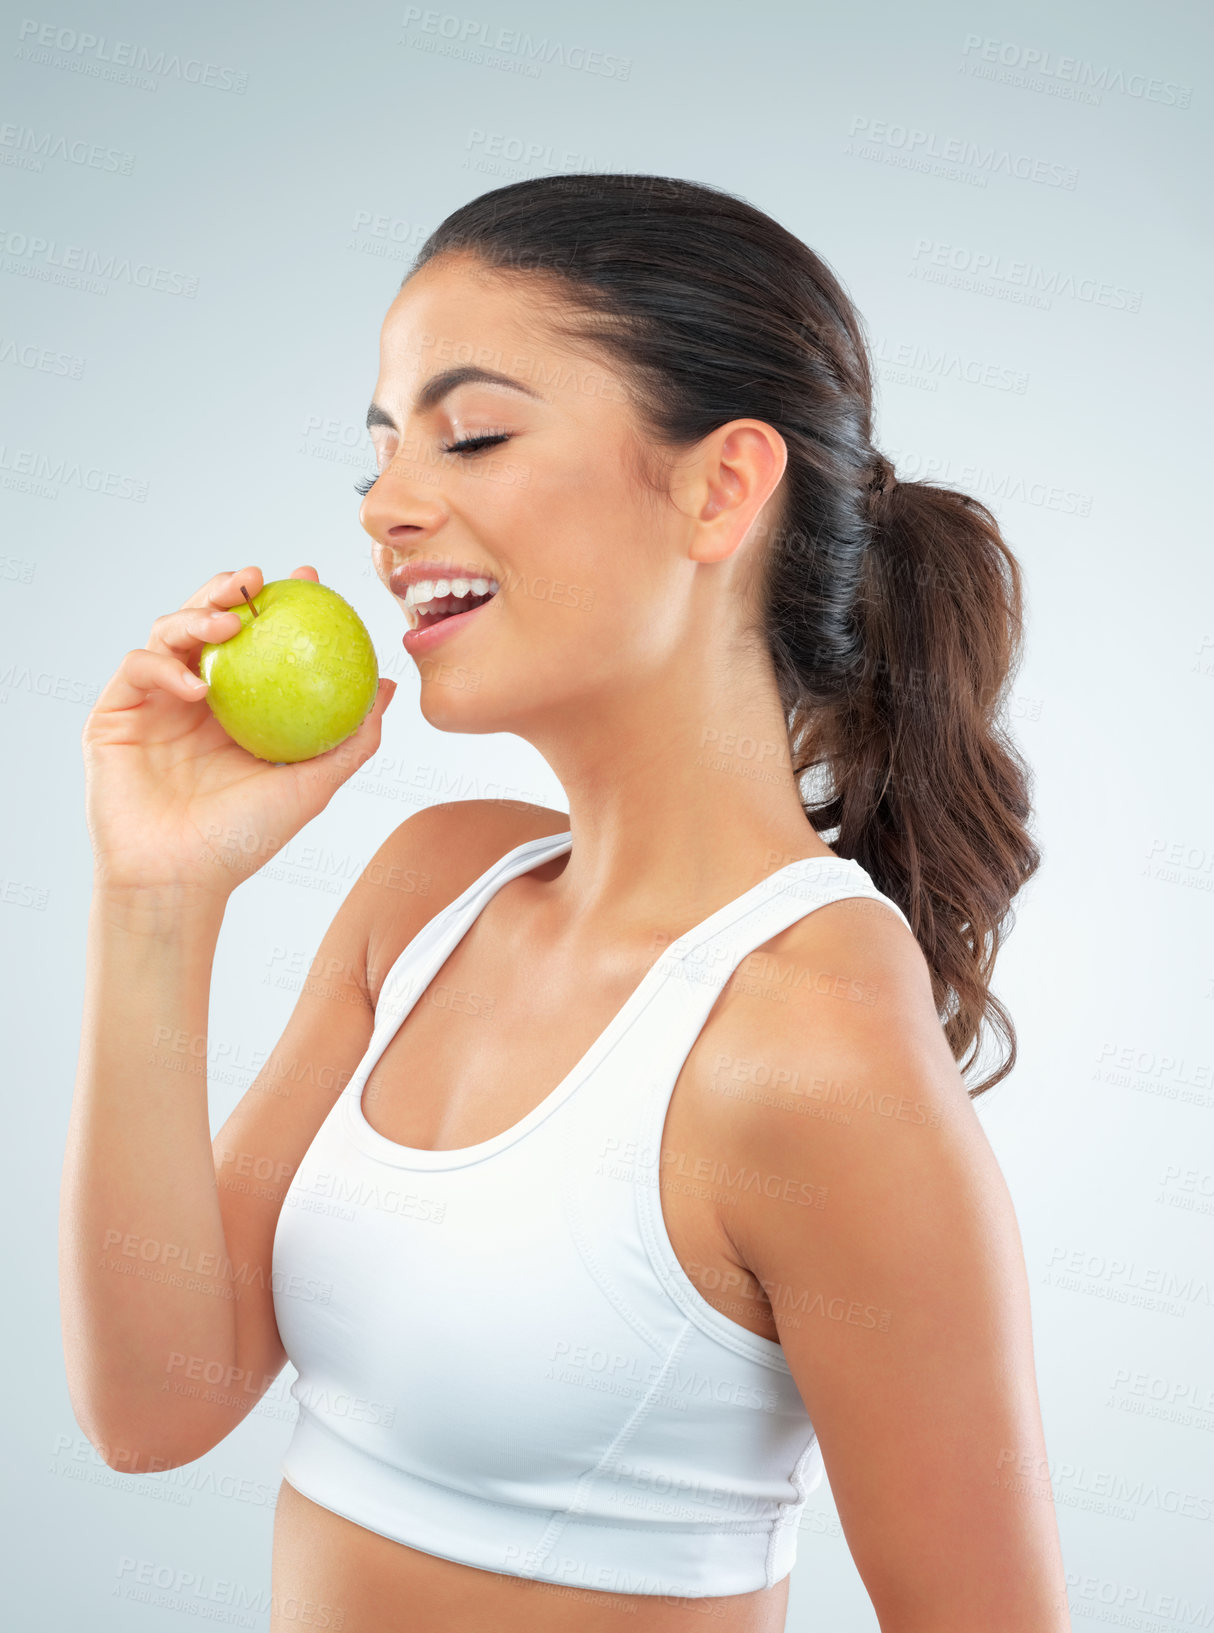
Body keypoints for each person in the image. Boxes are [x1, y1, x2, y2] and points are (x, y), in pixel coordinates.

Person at [62, 174, 1070, 1632]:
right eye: (381, 454)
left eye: (472, 433)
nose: (389, 511)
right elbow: (152, 1405)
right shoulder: (432, 890)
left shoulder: (816, 1044)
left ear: (722, 486)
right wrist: (155, 895)